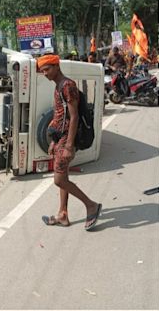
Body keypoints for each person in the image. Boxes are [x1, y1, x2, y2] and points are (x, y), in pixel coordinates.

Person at [38, 54, 102, 230]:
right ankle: (63, 214)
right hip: (60, 138)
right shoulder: (58, 86)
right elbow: (61, 116)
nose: (45, 73)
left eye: (47, 69)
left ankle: (91, 205)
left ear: (56, 66)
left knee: (59, 180)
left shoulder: (67, 86)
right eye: (42, 70)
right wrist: (54, 140)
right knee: (64, 175)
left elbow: (73, 118)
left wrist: (68, 145)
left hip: (67, 139)